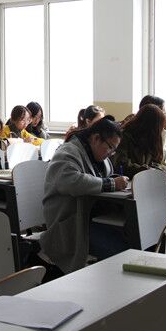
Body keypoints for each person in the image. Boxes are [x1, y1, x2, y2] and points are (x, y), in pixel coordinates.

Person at [39, 117, 128, 275]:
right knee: (120, 251)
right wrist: (111, 184)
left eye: (114, 150)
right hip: (71, 226)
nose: (111, 154)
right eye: (110, 147)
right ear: (96, 138)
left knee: (130, 237)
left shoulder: (98, 156)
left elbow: (101, 177)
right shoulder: (67, 152)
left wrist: (114, 180)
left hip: (91, 220)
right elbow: (71, 181)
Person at [112, 104, 166, 178]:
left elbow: (161, 163)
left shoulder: (154, 139)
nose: (161, 130)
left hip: (148, 179)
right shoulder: (125, 136)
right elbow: (121, 163)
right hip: (128, 180)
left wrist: (156, 169)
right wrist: (145, 170)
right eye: (160, 126)